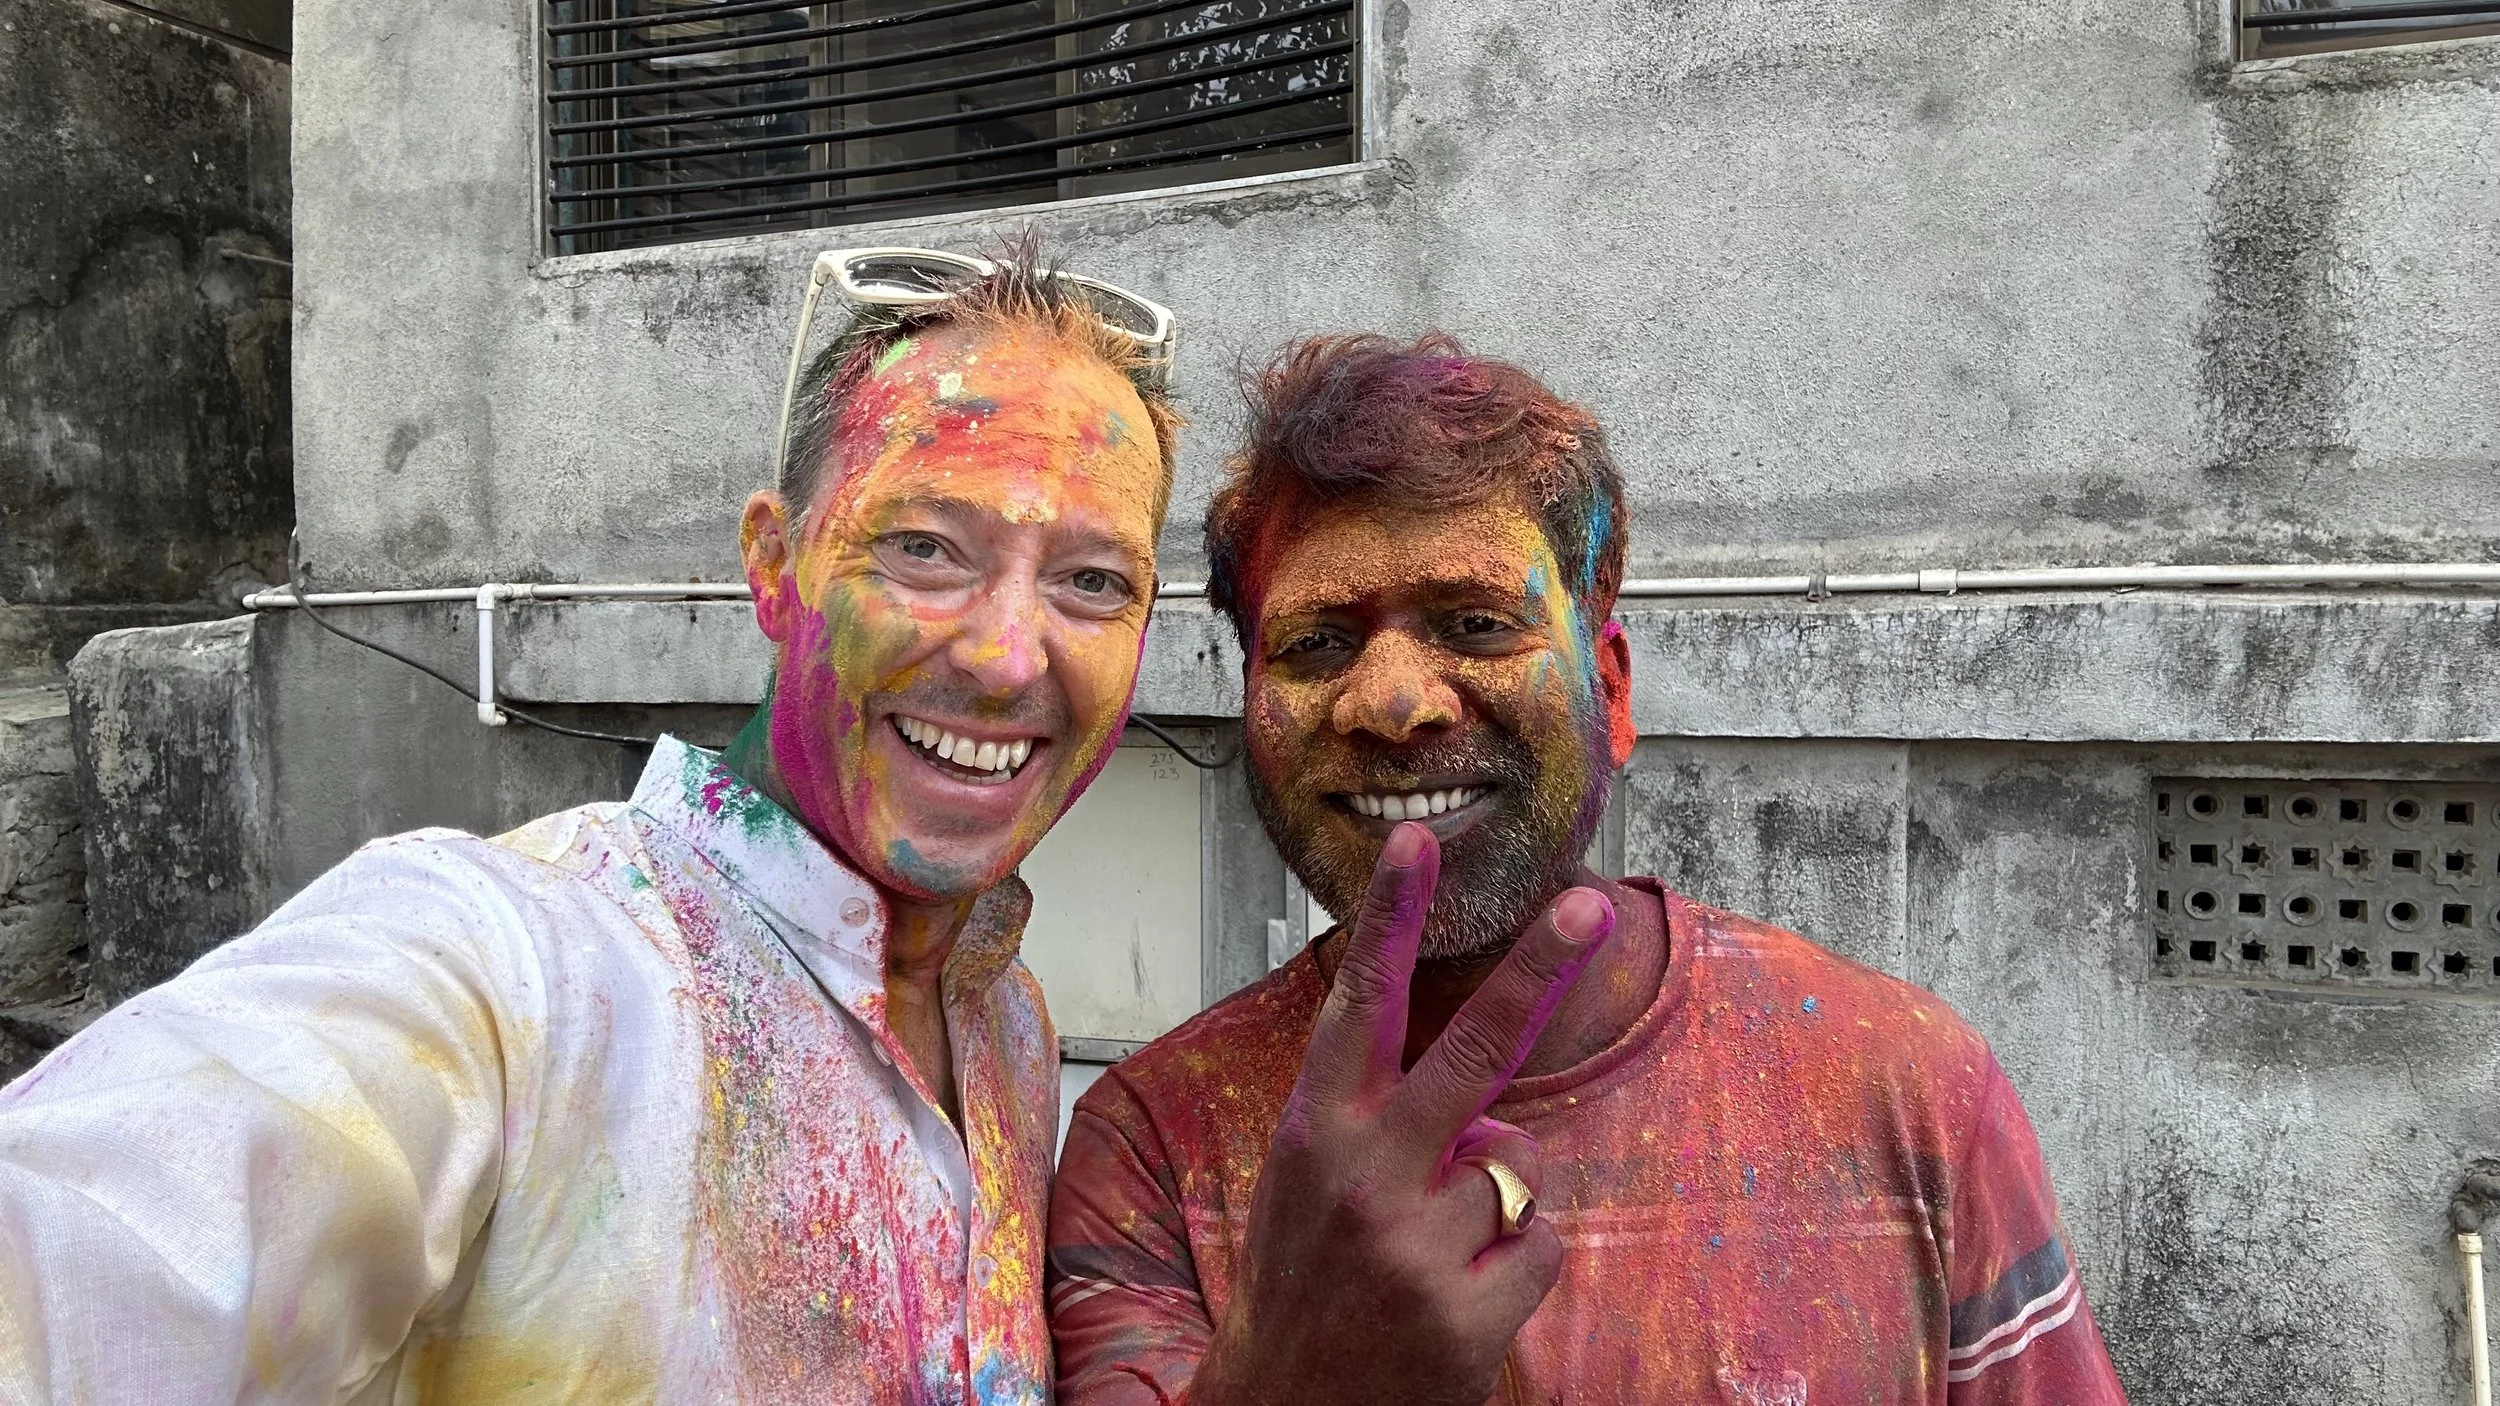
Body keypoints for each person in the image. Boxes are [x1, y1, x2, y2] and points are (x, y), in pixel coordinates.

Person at [0, 244, 1181, 1404]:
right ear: (775, 568)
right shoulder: (516, 969)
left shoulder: (1008, 1023)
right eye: (924, 548)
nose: (1006, 654)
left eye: (1091, 581)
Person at [1047, 332, 2129, 1404]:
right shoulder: (1146, 1153)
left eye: (1475, 623)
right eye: (1318, 643)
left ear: (1608, 690)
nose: (1391, 700)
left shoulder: (1910, 1090)